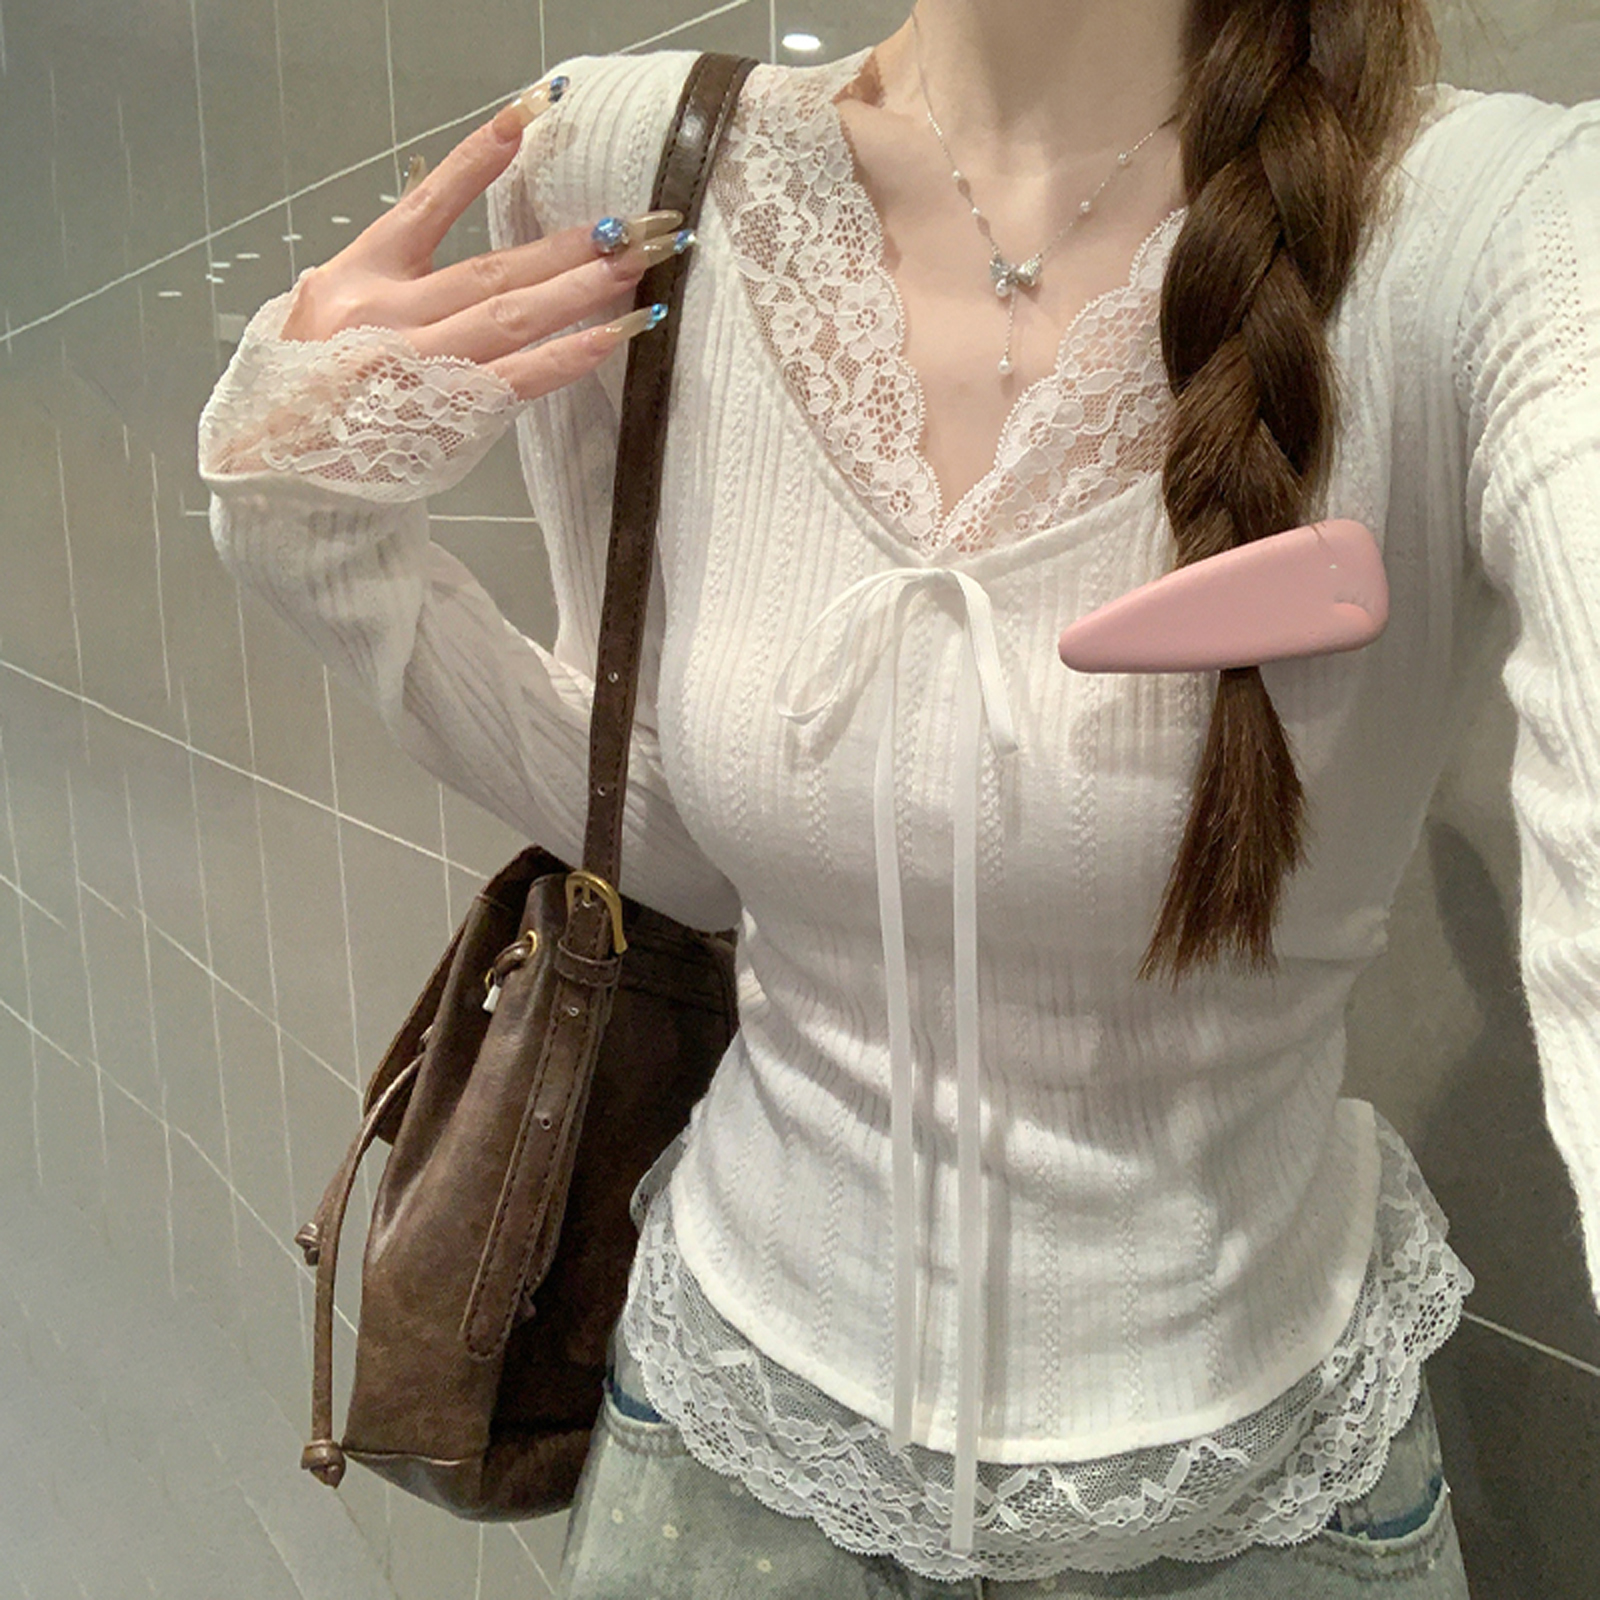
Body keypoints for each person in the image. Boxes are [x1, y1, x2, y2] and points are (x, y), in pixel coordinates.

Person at [197, 2, 1600, 1594]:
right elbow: (670, 837)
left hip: (1248, 1491)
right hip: (728, 1452)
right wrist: (313, 535)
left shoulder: (1500, 225)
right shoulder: (631, 163)